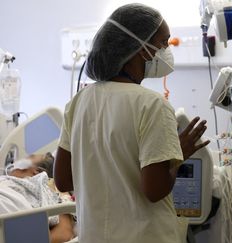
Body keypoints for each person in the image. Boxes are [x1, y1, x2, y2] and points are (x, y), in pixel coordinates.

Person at [54, 3, 210, 243]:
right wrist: (179, 156)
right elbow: (154, 191)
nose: (166, 50)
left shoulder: (79, 101)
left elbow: (63, 180)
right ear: (141, 48)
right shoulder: (151, 105)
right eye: (163, 42)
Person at [0, 154, 75, 243]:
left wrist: (62, 195)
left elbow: (64, 234)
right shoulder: (7, 181)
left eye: (29, 157)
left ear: (37, 171)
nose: (20, 159)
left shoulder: (42, 185)